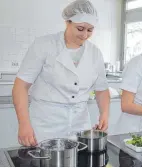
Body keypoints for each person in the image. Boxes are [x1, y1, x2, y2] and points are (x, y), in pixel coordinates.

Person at [12, 0, 110, 146]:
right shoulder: (44, 45)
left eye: (90, 30)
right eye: (80, 28)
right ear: (67, 22)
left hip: (80, 124)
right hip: (45, 124)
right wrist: (24, 124)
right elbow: (20, 86)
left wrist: (104, 114)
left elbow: (101, 89)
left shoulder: (95, 53)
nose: (85, 35)